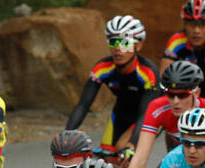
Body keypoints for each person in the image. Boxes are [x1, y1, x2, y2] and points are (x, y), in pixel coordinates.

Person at [120, 60, 205, 168]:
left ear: (197, 93)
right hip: (186, 155)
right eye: (170, 94)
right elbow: (140, 156)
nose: (175, 101)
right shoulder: (158, 108)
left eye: (182, 95)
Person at [68, 17, 159, 157]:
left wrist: (131, 144)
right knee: (106, 159)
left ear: (138, 46)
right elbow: (83, 105)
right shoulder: (102, 68)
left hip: (148, 116)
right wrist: (67, 134)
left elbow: (145, 114)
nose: (118, 48)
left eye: (124, 42)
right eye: (113, 42)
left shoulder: (148, 72)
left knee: (126, 152)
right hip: (121, 113)